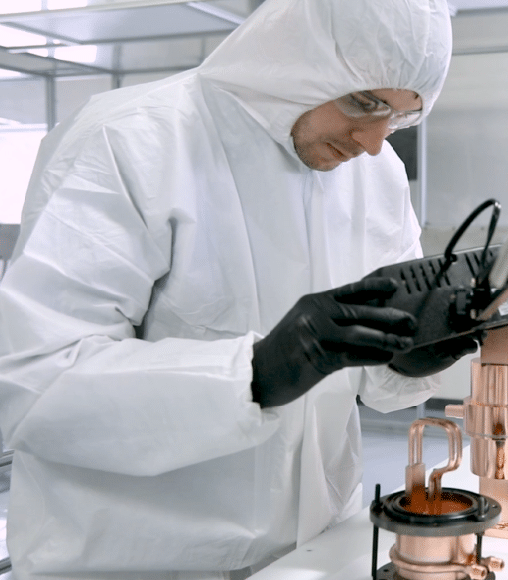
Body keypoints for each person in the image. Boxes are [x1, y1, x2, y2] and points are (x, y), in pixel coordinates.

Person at [0, 1, 473, 578]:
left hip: (314, 551)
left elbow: (375, 381)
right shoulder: (129, 141)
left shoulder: (374, 175)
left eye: (401, 116)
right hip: (138, 563)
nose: (374, 140)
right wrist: (254, 373)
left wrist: (409, 355)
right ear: (294, 57)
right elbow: (31, 382)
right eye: (364, 101)